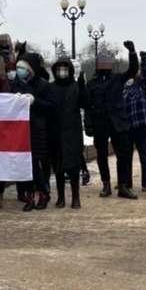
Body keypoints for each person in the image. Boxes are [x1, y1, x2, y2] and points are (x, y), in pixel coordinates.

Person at [85, 41, 139, 200]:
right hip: (100, 123)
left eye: (107, 61)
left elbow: (132, 70)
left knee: (123, 154)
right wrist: (88, 124)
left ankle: (123, 186)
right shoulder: (92, 83)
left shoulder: (117, 78)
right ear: (96, 65)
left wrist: (132, 53)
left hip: (117, 122)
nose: (104, 64)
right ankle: (106, 184)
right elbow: (88, 106)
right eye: (102, 61)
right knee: (101, 155)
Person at [12, 52, 55, 211]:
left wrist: (34, 101)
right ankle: (29, 195)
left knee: (35, 164)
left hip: (38, 129)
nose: (19, 71)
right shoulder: (16, 85)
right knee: (25, 164)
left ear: (31, 69)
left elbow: (51, 107)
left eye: (23, 68)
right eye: (18, 68)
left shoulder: (43, 85)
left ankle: (43, 193)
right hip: (20, 130)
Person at [49, 58, 88, 209]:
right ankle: (60, 197)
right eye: (59, 69)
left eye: (65, 68)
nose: (62, 72)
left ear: (70, 70)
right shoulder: (51, 87)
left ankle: (76, 197)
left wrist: (83, 87)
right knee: (58, 167)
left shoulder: (76, 86)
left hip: (72, 132)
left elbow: (85, 103)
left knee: (73, 166)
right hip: (56, 132)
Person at [123, 51, 146, 192]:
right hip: (128, 125)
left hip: (142, 124)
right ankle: (126, 183)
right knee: (127, 154)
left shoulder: (142, 86)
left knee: (143, 151)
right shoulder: (123, 89)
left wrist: (144, 59)